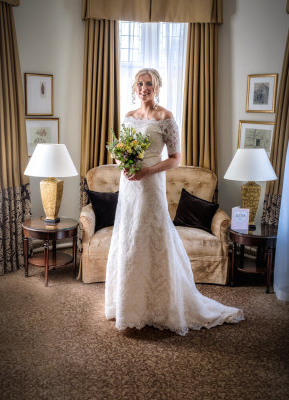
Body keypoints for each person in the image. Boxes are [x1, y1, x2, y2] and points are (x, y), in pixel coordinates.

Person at [105, 68, 244, 335]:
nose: (144, 88)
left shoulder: (166, 117)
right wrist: (123, 163)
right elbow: (120, 151)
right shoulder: (128, 117)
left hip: (150, 183)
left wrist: (147, 170)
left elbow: (175, 158)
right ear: (134, 87)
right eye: (140, 83)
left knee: (151, 237)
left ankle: (160, 305)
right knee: (129, 237)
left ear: (157, 87)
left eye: (149, 84)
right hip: (130, 185)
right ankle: (130, 304)